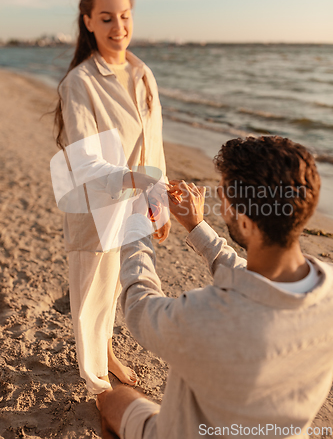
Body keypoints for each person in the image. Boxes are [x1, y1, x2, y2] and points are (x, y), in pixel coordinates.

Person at [99, 136, 333, 439]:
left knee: (113, 399)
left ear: (246, 223)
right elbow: (251, 276)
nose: (220, 202)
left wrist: (136, 226)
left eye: (224, 196)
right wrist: (196, 225)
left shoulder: (208, 315)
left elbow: (139, 304)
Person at [53, 0, 171, 398]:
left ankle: (106, 349)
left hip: (137, 200)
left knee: (118, 282)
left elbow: (153, 142)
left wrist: (161, 202)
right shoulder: (79, 83)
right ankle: (97, 382)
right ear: (88, 22)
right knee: (92, 291)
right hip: (95, 201)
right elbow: (86, 162)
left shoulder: (142, 72)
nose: (118, 26)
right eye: (106, 18)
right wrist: (147, 184)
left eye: (124, 16)